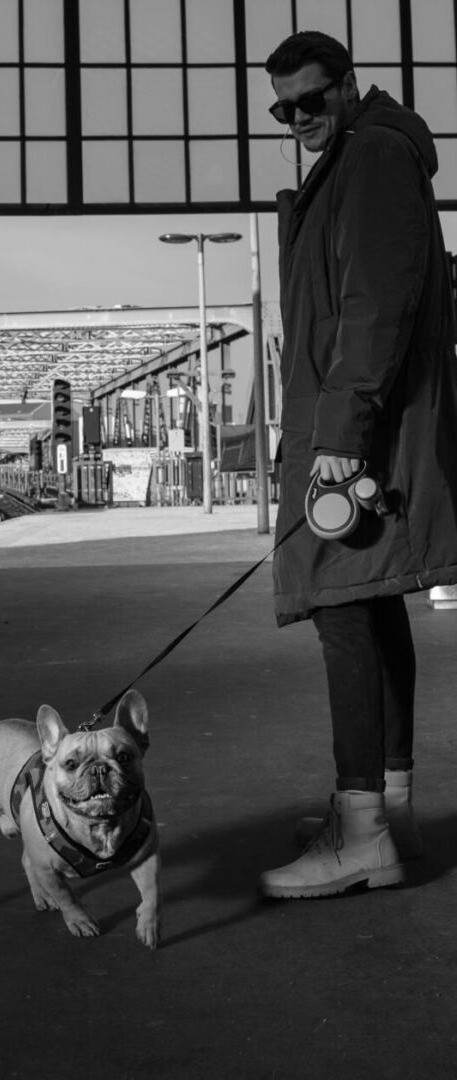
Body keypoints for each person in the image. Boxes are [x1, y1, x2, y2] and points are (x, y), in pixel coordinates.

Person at [259, 31, 457, 899]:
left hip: (353, 434)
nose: (300, 118)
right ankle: (386, 814)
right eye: (284, 108)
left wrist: (337, 441)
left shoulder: (371, 158)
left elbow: (373, 311)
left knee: (344, 611)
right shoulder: (355, 159)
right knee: (370, 611)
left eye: (312, 99)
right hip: (351, 424)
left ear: (347, 85)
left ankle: (363, 828)